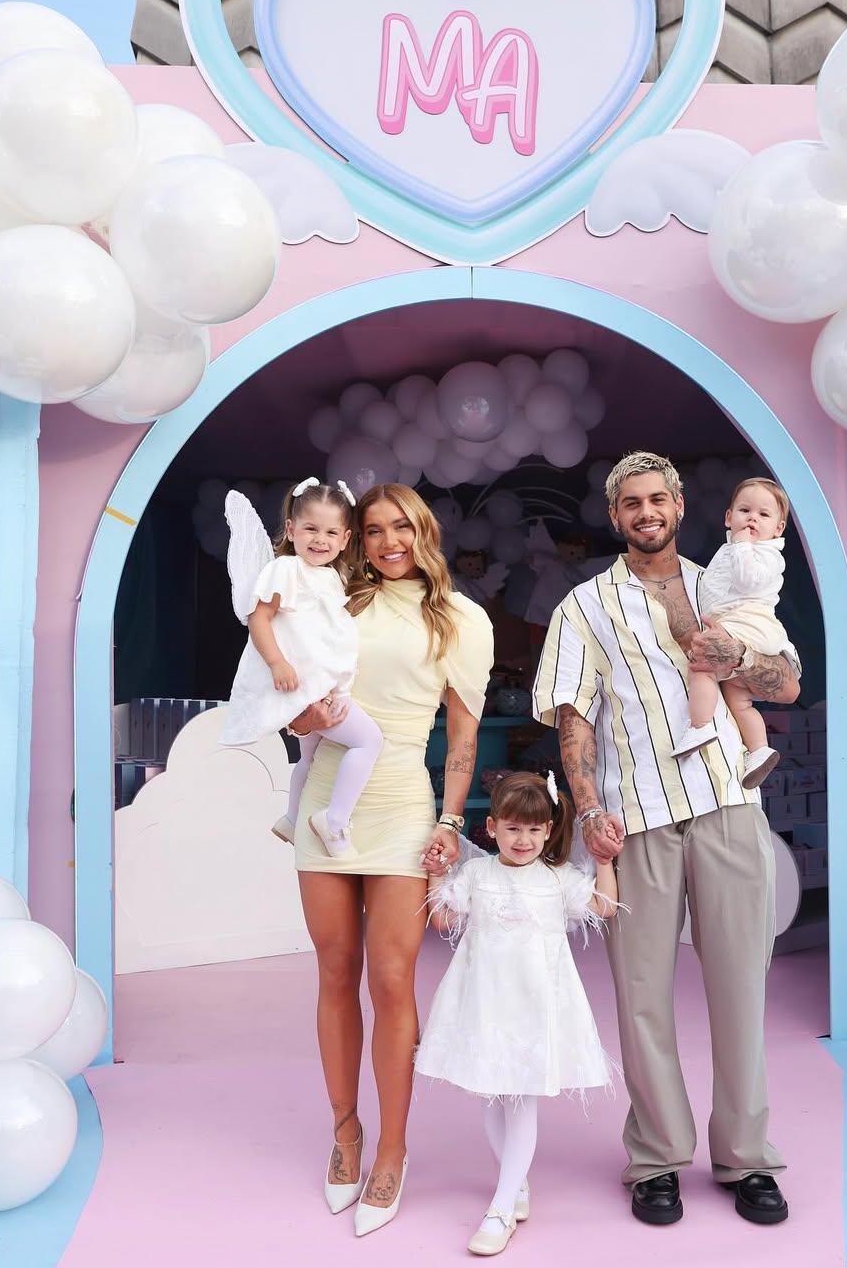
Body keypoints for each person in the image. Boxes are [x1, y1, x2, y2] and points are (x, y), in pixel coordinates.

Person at [531, 451, 801, 1229]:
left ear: (679, 506)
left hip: (727, 806)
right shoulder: (583, 607)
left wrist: (737, 657)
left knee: (742, 987)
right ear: (615, 515)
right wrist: (587, 811)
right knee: (642, 996)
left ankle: (746, 1156)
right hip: (637, 818)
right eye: (631, 502)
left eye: (658, 498)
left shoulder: (725, 582)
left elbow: (786, 682)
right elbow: (574, 719)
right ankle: (656, 1158)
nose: (646, 511)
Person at [285, 483, 494, 1237]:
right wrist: (305, 715)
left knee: (393, 980)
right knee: (335, 970)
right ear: (356, 540)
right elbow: (295, 709)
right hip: (327, 800)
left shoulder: (461, 618)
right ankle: (346, 1132)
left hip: (403, 801)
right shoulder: (331, 603)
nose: (387, 541)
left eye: (400, 526)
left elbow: (462, 737)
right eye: (372, 530)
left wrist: (450, 820)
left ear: (424, 530)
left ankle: (394, 1151)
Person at [417, 771, 618, 1257]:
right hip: (485, 1001)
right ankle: (516, 1182)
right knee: (490, 1095)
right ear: (492, 828)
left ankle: (502, 1206)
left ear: (548, 831)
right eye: (512, 828)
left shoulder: (557, 879)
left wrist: (604, 861)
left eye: (532, 829)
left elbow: (604, 907)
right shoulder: (478, 874)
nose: (522, 839)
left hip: (535, 1006)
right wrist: (437, 872)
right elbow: (442, 918)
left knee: (522, 1100)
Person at [221, 477, 383, 856]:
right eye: (311, 529)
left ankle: (293, 818)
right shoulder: (286, 570)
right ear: (292, 530)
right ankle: (335, 821)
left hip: (321, 685)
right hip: (306, 686)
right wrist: (277, 662)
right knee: (368, 741)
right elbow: (259, 618)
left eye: (331, 532)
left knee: (309, 757)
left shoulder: (332, 577)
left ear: (344, 539)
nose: (320, 540)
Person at [671, 477, 790, 792]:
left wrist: (742, 546)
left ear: (778, 529)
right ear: (728, 517)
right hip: (741, 623)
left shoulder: (763, 553)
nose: (752, 519)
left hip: (749, 624)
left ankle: (699, 725)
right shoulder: (731, 550)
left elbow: (748, 581)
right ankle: (759, 749)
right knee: (740, 700)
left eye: (763, 515)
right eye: (745, 510)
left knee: (702, 665)